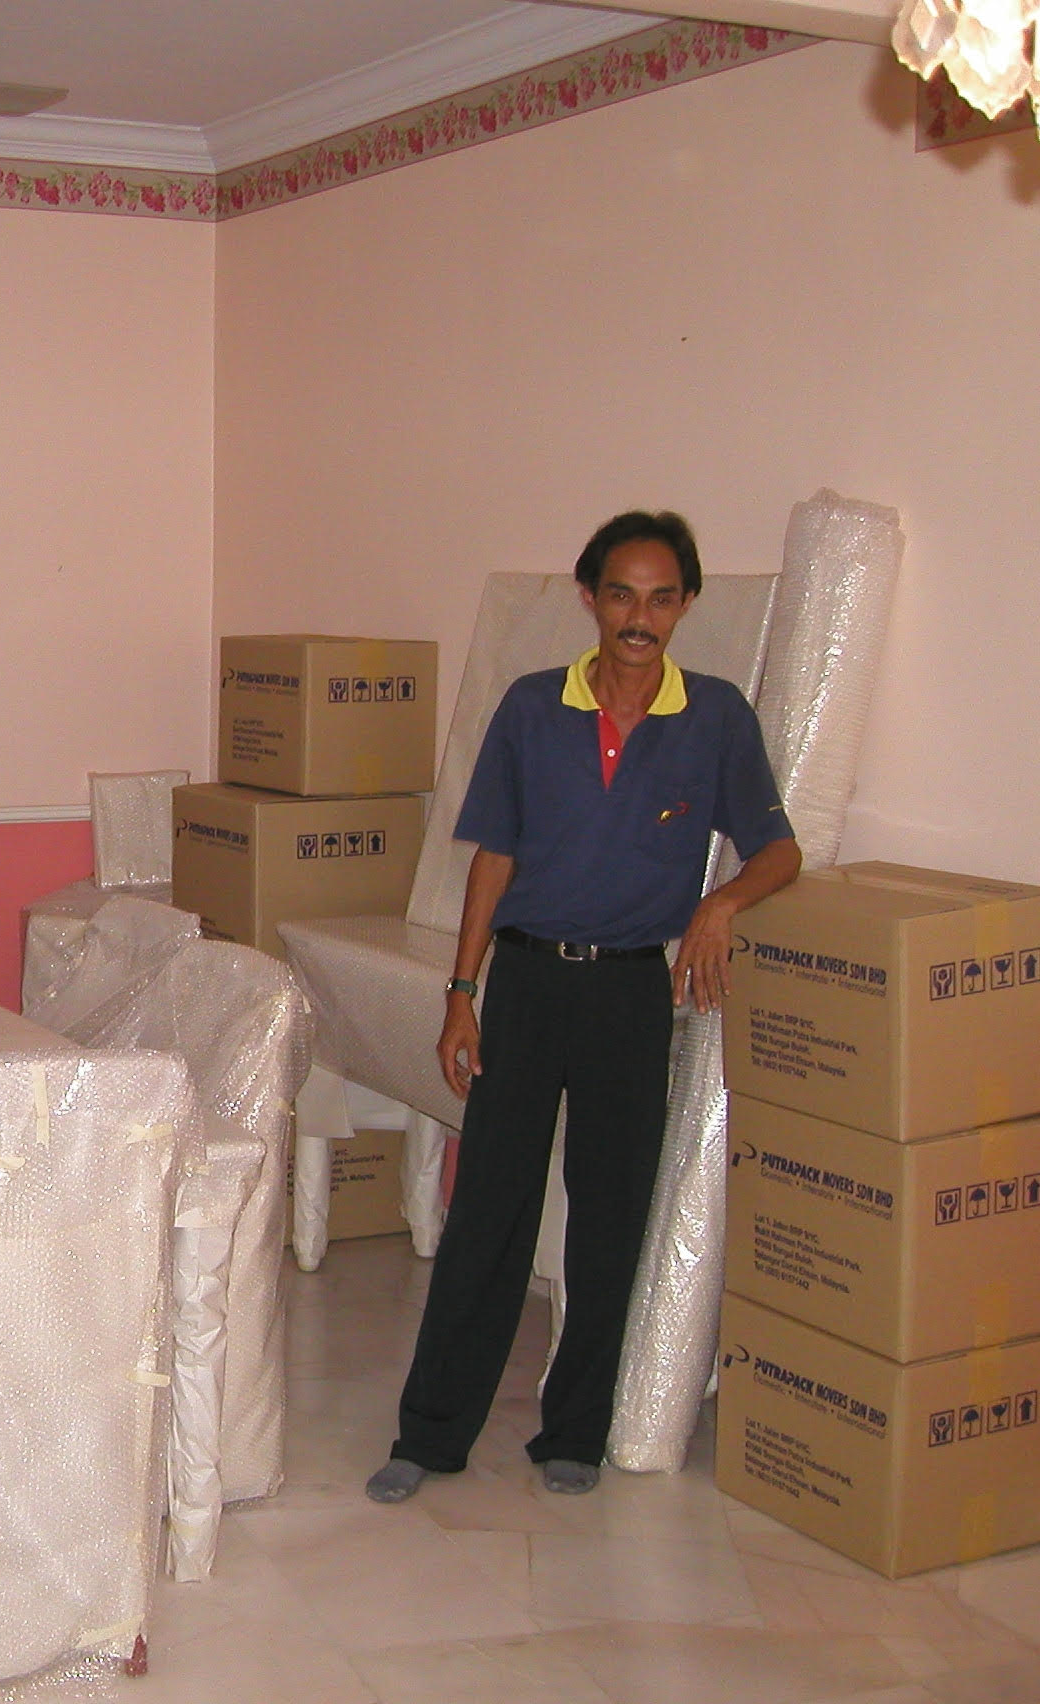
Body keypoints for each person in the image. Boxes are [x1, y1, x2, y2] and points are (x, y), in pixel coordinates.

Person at [366, 510, 800, 1502]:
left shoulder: (716, 718)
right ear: (590, 599)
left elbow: (780, 849)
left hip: (629, 994)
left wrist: (721, 904)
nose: (639, 618)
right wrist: (462, 994)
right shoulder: (531, 707)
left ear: (684, 605)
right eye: (621, 595)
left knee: (610, 1215)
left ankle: (575, 1432)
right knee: (489, 1209)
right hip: (525, 984)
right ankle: (429, 1435)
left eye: (660, 599)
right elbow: (495, 857)